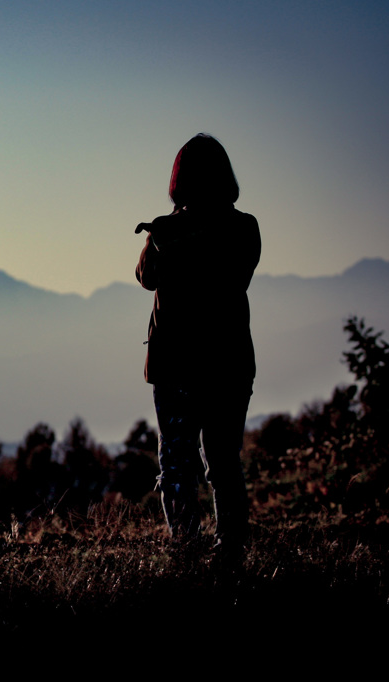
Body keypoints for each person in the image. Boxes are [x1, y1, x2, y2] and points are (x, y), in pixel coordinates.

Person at [135, 133, 261, 556]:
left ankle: (185, 551)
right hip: (229, 364)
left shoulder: (167, 230)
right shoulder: (244, 228)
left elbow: (146, 277)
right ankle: (230, 553)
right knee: (223, 462)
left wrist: (166, 235)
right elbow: (235, 275)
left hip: (175, 366)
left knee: (177, 464)